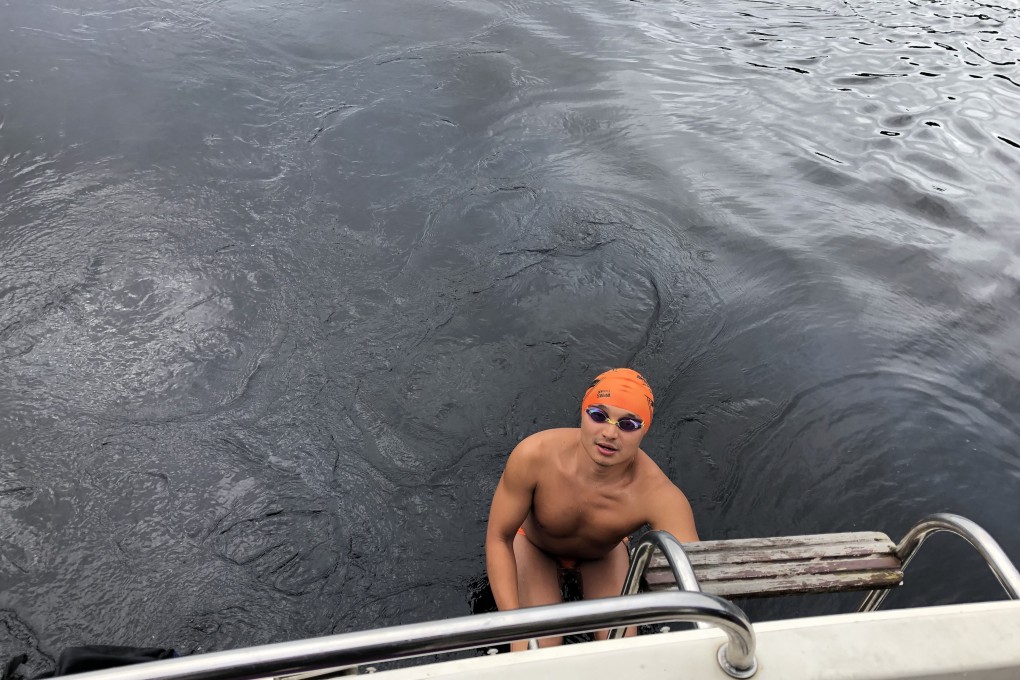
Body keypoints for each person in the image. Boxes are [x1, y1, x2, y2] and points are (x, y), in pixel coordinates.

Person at [485, 368, 699, 650]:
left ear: (644, 429)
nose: (610, 433)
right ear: (583, 413)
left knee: (621, 654)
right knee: (533, 651)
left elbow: (696, 572)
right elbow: (499, 537)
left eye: (628, 424)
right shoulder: (535, 455)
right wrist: (514, 625)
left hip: (603, 556)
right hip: (535, 547)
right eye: (598, 415)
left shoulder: (657, 494)